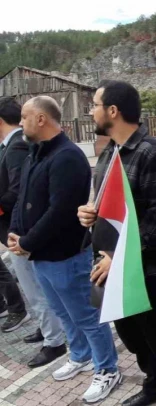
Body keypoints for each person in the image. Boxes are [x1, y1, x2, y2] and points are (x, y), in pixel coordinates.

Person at [77, 81, 156, 406]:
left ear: (113, 111)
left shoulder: (152, 153)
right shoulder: (110, 151)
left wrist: (117, 258)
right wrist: (91, 213)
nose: (91, 112)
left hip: (148, 276)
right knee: (136, 341)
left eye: (94, 105)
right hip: (111, 273)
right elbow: (112, 209)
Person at [11, 96, 120, 403]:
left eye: (24, 117)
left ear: (41, 119)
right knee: (62, 311)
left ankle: (107, 368)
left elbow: (60, 211)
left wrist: (27, 242)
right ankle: (81, 354)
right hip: (41, 255)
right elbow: (22, 198)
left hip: (66, 255)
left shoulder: (67, 156)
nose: (21, 122)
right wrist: (16, 233)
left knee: (86, 315)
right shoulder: (36, 153)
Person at [0, 97, 66, 366]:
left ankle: (54, 341)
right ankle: (48, 330)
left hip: (22, 231)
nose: (23, 122)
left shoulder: (17, 145)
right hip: (19, 229)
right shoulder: (13, 145)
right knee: (36, 288)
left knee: (36, 289)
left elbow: (18, 192)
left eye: (26, 117)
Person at [0, 97, 29, 333]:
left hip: (14, 224)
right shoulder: (7, 145)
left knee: (31, 278)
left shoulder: (17, 145)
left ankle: (19, 310)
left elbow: (17, 189)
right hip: (9, 221)